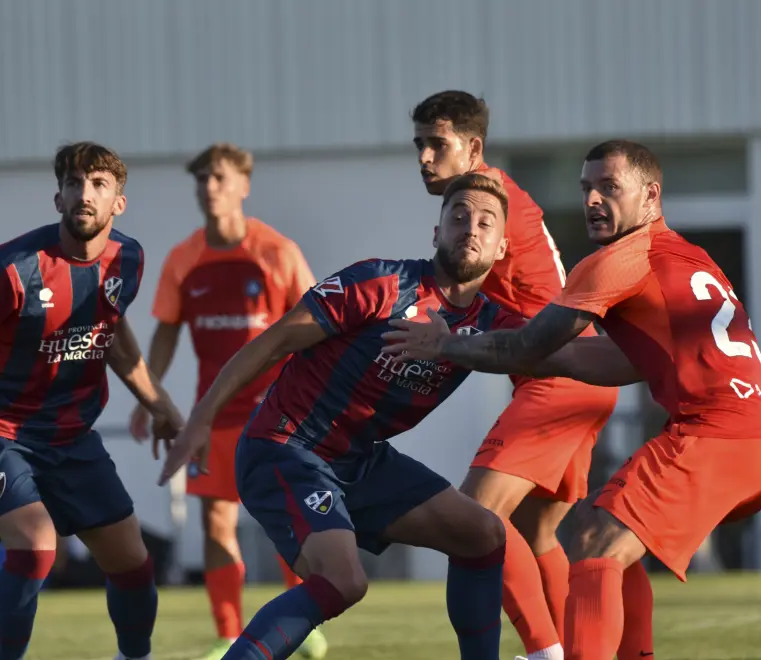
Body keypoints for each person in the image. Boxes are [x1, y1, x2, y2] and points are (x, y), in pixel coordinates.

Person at [382, 140, 761, 660]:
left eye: (609, 187)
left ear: (651, 195)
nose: (593, 199)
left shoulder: (620, 258)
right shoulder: (689, 257)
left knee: (594, 541)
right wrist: (527, 359)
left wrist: (445, 345)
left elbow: (530, 344)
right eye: (586, 188)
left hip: (716, 433)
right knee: (612, 540)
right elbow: (606, 362)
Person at [159, 173, 523, 660]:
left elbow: (571, 355)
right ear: (436, 233)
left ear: (502, 247)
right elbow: (275, 341)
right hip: (286, 446)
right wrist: (202, 416)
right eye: (457, 217)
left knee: (482, 534)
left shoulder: (495, 325)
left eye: (485, 222)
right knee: (344, 580)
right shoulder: (381, 282)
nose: (470, 229)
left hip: (360, 461)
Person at [0, 141, 183, 660]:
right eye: (74, 184)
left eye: (99, 185)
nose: (85, 195)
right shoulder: (11, 268)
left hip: (69, 434)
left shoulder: (127, 259)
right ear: (58, 199)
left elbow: (112, 332)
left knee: (133, 563)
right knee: (38, 545)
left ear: (119, 202)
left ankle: (135, 657)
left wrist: (161, 404)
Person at [411, 90, 618, 658]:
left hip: (560, 377)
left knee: (472, 518)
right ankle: (573, 650)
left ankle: (545, 653)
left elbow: (450, 286)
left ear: (472, 147)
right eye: (420, 145)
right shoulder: (490, 194)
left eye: (438, 144)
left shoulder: (487, 200)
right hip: (578, 377)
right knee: (535, 536)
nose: (425, 157)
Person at [128, 143, 324, 659]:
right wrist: (147, 395)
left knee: (288, 518)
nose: (208, 188)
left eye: (218, 177)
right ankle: (227, 632)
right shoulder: (183, 259)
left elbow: (317, 325)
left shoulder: (278, 251)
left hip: (281, 413)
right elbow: (166, 333)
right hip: (211, 415)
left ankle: (302, 620)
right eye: (201, 180)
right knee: (217, 522)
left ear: (243, 185)